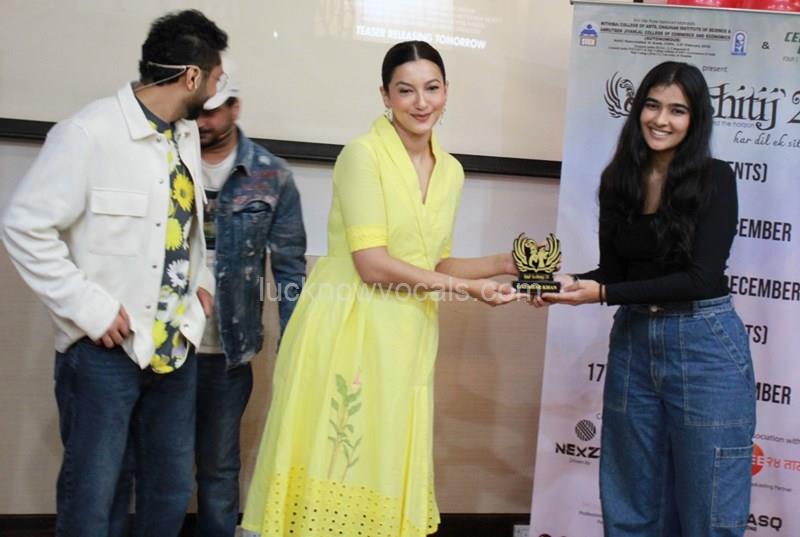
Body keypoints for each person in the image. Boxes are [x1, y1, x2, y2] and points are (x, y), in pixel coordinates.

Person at [240, 40, 520, 537]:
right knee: (339, 454)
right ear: (385, 96)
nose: (421, 102)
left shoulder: (451, 171)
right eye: (405, 90)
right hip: (350, 324)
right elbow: (372, 265)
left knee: (384, 453)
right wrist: (464, 289)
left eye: (432, 88)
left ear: (447, 92)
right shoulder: (362, 155)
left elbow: (433, 261)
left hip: (407, 330)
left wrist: (503, 264)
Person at [2, 10, 228, 537]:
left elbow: (188, 228)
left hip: (175, 350)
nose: (218, 91)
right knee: (95, 497)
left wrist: (202, 286)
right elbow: (23, 227)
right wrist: (91, 309)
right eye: (216, 78)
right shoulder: (88, 133)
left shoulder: (184, 136)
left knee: (169, 489)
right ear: (191, 76)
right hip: (102, 355)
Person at [537, 61, 755, 536]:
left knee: (710, 510)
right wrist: (564, 284)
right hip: (635, 342)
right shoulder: (619, 178)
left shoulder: (716, 178)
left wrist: (603, 293)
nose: (661, 119)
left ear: (696, 119)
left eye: (678, 110)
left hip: (704, 343)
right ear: (638, 109)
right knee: (631, 504)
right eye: (652, 105)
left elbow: (700, 279)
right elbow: (614, 273)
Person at [194, 58, 307, 537]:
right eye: (195, 110)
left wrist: (294, 347)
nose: (201, 121)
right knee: (155, 465)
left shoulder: (270, 176)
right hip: (160, 344)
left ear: (235, 107)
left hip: (228, 349)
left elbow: (290, 270)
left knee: (219, 468)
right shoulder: (163, 162)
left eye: (212, 111)